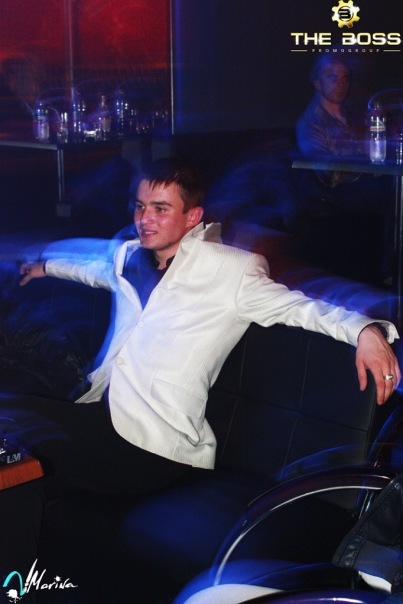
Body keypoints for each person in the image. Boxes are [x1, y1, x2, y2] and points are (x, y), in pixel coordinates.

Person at [0, 157, 400, 601]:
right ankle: (15, 590)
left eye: (160, 208)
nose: (145, 218)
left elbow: (300, 307)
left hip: (155, 447)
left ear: (193, 217)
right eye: (140, 206)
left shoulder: (230, 270)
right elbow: (90, 266)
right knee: (16, 480)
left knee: (11, 412)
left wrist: (366, 330)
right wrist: (44, 265)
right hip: (101, 419)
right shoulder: (131, 257)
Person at [294, 55, 393, 284]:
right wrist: (364, 163)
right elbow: (325, 172)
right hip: (333, 193)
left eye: (344, 78)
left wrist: (376, 138)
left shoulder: (353, 116)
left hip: (366, 185)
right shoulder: (311, 123)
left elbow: (374, 153)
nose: (340, 84)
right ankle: (389, 271)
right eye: (333, 77)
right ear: (317, 82)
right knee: (391, 196)